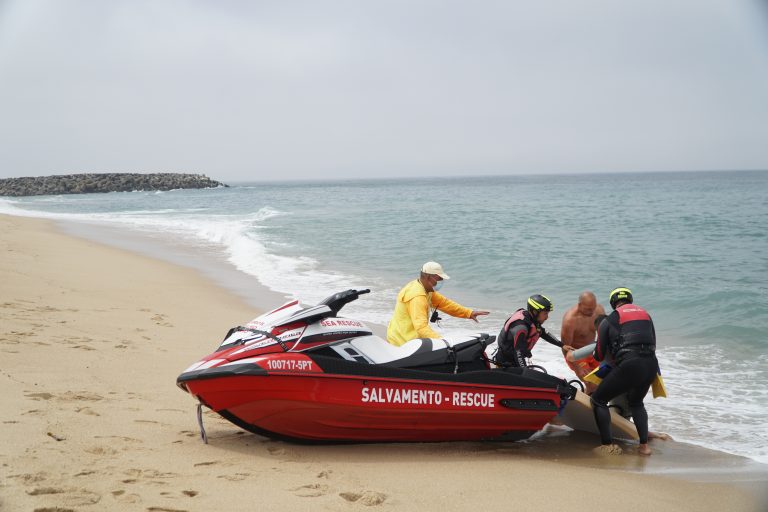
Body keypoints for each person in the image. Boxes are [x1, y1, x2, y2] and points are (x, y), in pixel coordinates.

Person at [568, 287, 659, 456]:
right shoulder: (646, 315)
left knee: (598, 400)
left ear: (613, 303)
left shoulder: (609, 320)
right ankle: (644, 446)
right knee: (637, 403)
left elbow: (600, 353)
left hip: (629, 364)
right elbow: (652, 342)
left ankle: (607, 444)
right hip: (651, 364)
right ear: (630, 300)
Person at [386, 261, 490, 346]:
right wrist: (442, 342)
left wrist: (469, 313)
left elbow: (444, 303)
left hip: (401, 335)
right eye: (438, 279)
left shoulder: (423, 287)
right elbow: (421, 327)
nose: (440, 282)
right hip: (402, 341)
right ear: (427, 277)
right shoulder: (418, 296)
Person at [496, 294, 563, 368]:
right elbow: (518, 353)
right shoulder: (521, 328)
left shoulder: (532, 319)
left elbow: (543, 333)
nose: (547, 317)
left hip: (515, 359)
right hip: (505, 362)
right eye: (545, 314)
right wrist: (525, 371)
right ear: (535, 312)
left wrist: (562, 345)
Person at [560, 291, 606, 394]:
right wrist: (577, 368)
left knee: (604, 381)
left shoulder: (598, 310)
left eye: (593, 308)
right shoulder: (570, 320)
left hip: (593, 351)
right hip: (577, 355)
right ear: (580, 305)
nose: (592, 312)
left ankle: (587, 402)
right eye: (588, 309)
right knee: (591, 383)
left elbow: (605, 333)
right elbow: (565, 349)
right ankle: (587, 406)